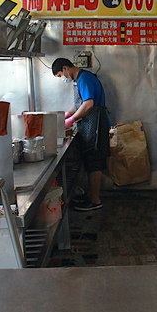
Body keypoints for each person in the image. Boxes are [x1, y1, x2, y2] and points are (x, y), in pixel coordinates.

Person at [52, 57, 110, 212]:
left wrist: (73, 119)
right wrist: (66, 115)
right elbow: (79, 102)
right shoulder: (79, 79)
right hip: (89, 126)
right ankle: (90, 195)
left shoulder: (85, 78)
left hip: (95, 126)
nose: (62, 78)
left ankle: (95, 200)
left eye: (60, 75)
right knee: (91, 162)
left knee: (94, 163)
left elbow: (88, 104)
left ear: (65, 68)